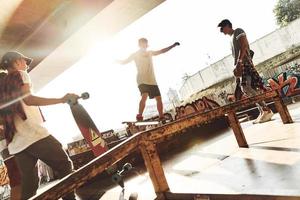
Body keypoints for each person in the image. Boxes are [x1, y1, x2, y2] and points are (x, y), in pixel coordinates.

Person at [0, 51, 78, 199]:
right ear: (16, 62)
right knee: (65, 165)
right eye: (25, 62)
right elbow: (28, 100)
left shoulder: (2, 85)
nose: (26, 66)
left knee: (29, 186)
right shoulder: (20, 75)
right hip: (33, 135)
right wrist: (61, 99)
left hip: (16, 144)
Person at [218, 19, 273, 123]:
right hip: (240, 65)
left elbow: (244, 45)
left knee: (246, 87)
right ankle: (263, 111)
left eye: (222, 28)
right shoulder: (231, 38)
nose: (221, 30)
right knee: (248, 88)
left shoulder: (238, 31)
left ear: (227, 26)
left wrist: (239, 62)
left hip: (244, 64)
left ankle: (266, 110)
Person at [118, 38, 180, 122]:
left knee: (158, 98)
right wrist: (116, 61)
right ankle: (139, 115)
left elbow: (161, 51)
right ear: (139, 45)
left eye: (145, 44)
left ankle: (161, 116)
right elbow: (124, 61)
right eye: (142, 44)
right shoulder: (135, 54)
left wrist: (172, 46)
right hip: (142, 79)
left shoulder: (150, 53)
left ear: (147, 45)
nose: (144, 45)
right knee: (145, 95)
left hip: (152, 80)